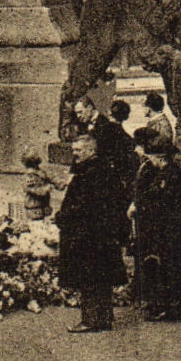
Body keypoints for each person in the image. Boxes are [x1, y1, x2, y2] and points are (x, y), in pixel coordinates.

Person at [55, 131, 131, 332]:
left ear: (90, 150)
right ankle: (104, 318)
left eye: (78, 150)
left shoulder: (89, 172)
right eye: (73, 150)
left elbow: (83, 205)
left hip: (88, 234)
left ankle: (90, 320)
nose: (75, 154)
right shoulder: (102, 168)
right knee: (101, 277)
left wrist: (62, 217)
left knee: (89, 277)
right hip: (102, 234)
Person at [129, 128, 181, 321]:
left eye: (152, 157)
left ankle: (170, 306)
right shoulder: (161, 172)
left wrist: (139, 207)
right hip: (160, 227)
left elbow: (160, 200)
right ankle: (162, 304)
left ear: (160, 157)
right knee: (162, 265)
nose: (150, 161)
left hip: (168, 229)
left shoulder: (171, 174)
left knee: (169, 265)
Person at [22, 152, 63, 221]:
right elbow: (33, 190)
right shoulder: (30, 175)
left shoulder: (40, 171)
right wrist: (46, 189)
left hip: (44, 205)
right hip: (34, 207)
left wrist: (59, 183)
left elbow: (50, 178)